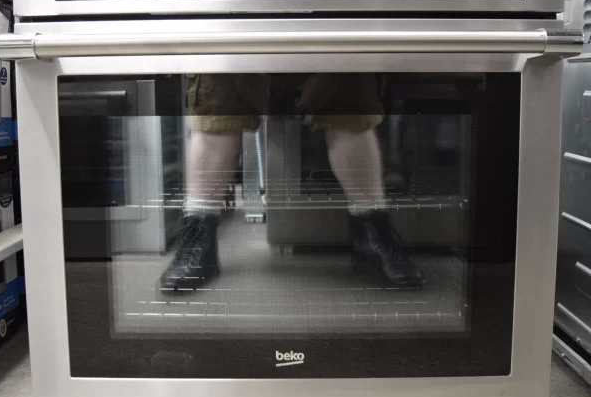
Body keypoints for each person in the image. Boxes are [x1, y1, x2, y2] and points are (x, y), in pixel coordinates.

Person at [159, 73, 424, 290]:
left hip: (330, 29)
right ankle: (198, 243)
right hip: (235, 29)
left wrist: (328, 76)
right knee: (216, 101)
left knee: (351, 100)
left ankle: (373, 236)